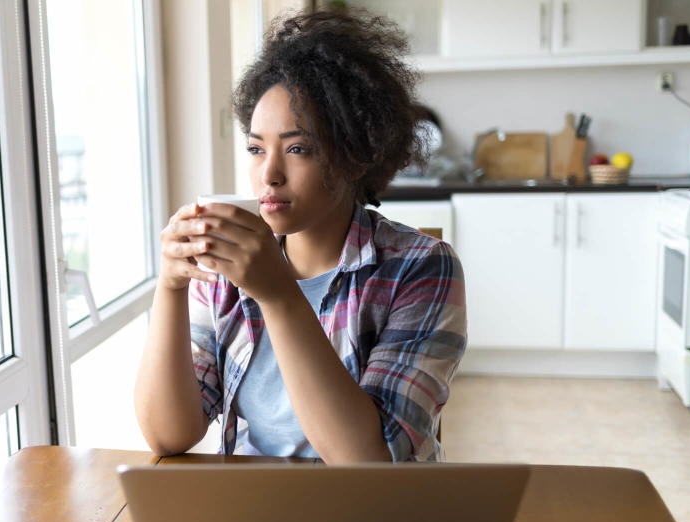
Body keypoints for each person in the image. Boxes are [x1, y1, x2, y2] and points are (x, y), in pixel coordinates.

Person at [134, 9, 466, 464]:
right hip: (254, 506)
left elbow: (369, 462)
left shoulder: (421, 268)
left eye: (298, 149)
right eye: (256, 148)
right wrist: (170, 287)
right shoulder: (228, 267)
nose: (268, 174)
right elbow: (169, 436)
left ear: (355, 155)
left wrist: (278, 295)